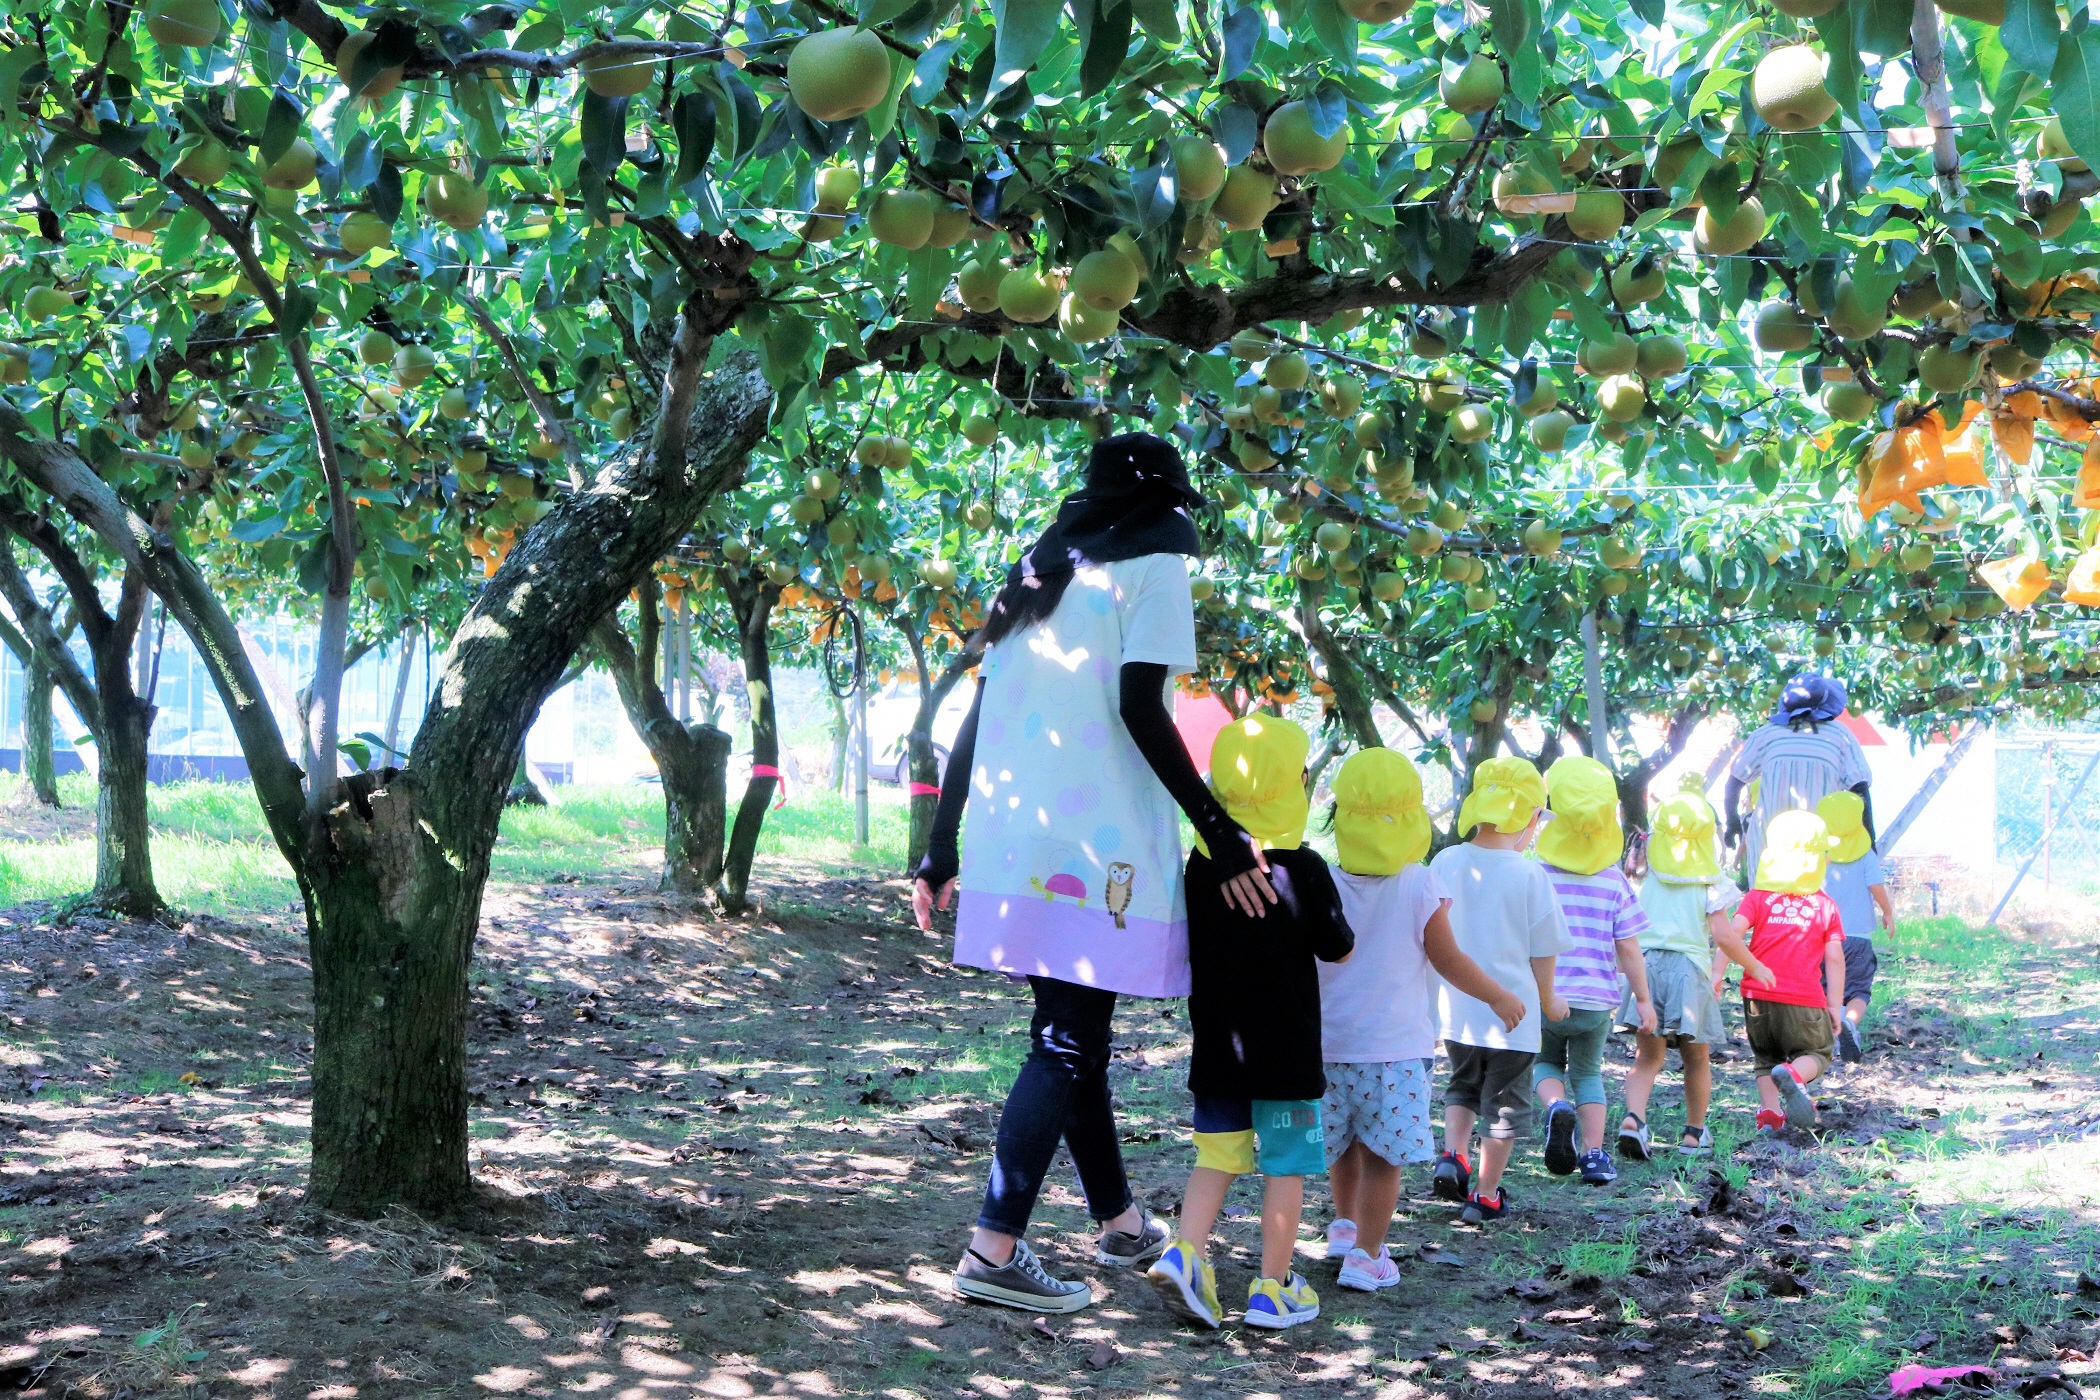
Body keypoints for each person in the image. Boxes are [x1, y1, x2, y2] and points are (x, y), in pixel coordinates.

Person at [913, 433, 1279, 1315]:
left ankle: (1118, 1223)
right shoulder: (1155, 569)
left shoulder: (1039, 574)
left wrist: (943, 841)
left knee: (1071, 1033)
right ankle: (993, 1248)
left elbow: (979, 711)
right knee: (1068, 1041)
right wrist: (1222, 833)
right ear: (1165, 508)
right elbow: (1139, 705)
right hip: (1098, 847)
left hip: (1018, 839)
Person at [1145, 716, 1354, 1331]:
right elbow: (1337, 946)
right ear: (1298, 786)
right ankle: (1272, 1288)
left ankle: (1185, 1254)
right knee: (1285, 1165)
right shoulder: (1305, 867)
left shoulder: (1201, 866)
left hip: (1217, 1049)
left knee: (1216, 1158)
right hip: (1287, 1056)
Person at [1316, 748, 1523, 1291]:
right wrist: (1499, 996)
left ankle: (1343, 1227)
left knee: (1343, 1144)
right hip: (1395, 1052)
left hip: (1328, 1045)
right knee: (1384, 1156)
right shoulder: (1419, 882)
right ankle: (1366, 1255)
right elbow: (1448, 959)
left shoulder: (1323, 882)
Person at [1427, 758, 1572, 1225]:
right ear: (1530, 819)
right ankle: (1486, 1194)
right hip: (1514, 1016)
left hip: (1456, 1010)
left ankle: (1453, 1155)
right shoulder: (1529, 875)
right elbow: (1544, 948)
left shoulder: (1446, 860)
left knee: (1462, 1086)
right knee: (1504, 1104)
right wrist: (1549, 999)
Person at [1530, 756, 1657, 1186]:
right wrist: (1642, 999)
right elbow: (1630, 948)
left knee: (1545, 1062)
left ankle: (1554, 1108)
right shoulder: (1613, 881)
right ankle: (1595, 1155)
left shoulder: (1536, 875)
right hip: (1596, 1002)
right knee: (1588, 1073)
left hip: (1546, 995)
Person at [1619, 779, 1741, 1159]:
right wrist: (1753, 963)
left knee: (1648, 1059)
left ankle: (1633, 1120)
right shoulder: (1710, 882)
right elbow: (1722, 934)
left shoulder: (1646, 876)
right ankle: (1693, 1134)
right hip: (1689, 972)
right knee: (1696, 1058)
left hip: (1647, 968)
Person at [1725, 810, 1846, 1135]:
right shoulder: (1825, 906)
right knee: (1817, 1052)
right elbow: (1834, 958)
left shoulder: (1757, 898)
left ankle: (1770, 1116)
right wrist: (1835, 1006)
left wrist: (1715, 974)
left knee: (1766, 1057)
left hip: (1756, 996)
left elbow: (1730, 934)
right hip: (1803, 999)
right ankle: (1794, 1077)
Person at [1725, 674, 1873, 879]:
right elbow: (1860, 788)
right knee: (1815, 906)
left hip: (1767, 843)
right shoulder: (1840, 735)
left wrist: (1732, 821)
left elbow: (1734, 781)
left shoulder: (1766, 734)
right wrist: (1869, 840)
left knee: (1770, 905)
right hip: (1819, 840)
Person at [1816, 790, 1896, 1065]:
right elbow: (1876, 887)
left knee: (1825, 987)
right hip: (1858, 937)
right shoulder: (1866, 855)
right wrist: (1888, 912)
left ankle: (1831, 1035)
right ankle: (1850, 1022)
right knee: (1858, 989)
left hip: (1822, 937)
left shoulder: (1818, 854)